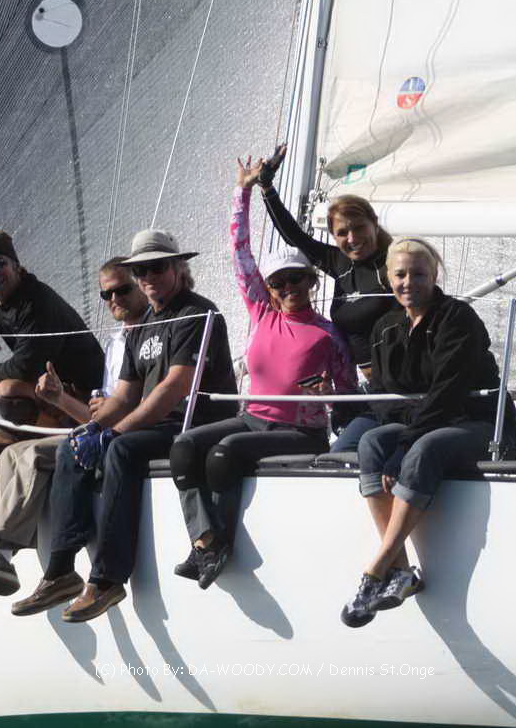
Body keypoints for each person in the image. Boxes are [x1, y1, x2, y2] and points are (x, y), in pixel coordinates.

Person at [164, 157, 359, 589]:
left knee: (223, 454)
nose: (288, 289)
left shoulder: (329, 334)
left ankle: (220, 544)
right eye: (278, 283)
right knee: (183, 447)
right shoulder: (263, 313)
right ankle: (206, 541)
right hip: (253, 418)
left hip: (300, 431)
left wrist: (330, 395)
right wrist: (243, 191)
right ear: (269, 289)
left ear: (311, 281)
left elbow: (349, 393)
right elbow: (240, 252)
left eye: (296, 280)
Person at [0, 258, 148, 600]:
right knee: (10, 453)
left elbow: (119, 410)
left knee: (34, 453)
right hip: (97, 427)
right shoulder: (116, 342)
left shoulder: (146, 336)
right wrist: (60, 399)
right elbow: (96, 415)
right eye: (105, 294)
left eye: (122, 290)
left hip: (119, 435)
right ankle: (2, 556)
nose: (114, 299)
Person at [40, 229, 239, 623]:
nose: (148, 277)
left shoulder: (196, 313)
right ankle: (60, 568)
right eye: (140, 270)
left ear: (178, 267)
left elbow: (174, 387)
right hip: (160, 423)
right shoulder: (144, 324)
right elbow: (125, 395)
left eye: (156, 267)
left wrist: (114, 432)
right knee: (72, 445)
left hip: (197, 421)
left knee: (121, 449)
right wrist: (93, 426)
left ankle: (107, 578)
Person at [342, 238, 516, 628]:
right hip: (422, 422)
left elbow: (447, 392)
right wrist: (401, 437)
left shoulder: (457, 318)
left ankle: (376, 568)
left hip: (476, 422)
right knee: (371, 442)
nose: (409, 282)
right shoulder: (386, 328)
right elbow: (384, 396)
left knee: (424, 448)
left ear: (434, 276)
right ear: (388, 278)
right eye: (400, 274)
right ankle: (401, 571)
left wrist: (405, 443)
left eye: (418, 274)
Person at [251, 145, 396, 451]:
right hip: (365, 389)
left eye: (359, 228)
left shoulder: (393, 265)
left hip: (396, 388)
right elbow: (295, 237)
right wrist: (266, 188)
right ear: (333, 235)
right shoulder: (339, 262)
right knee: (340, 453)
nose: (352, 238)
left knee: (343, 454)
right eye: (342, 232)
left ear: (374, 222)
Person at [0, 229, 104, 461]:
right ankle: (41, 433)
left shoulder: (36, 302)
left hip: (85, 401)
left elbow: (25, 367)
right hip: (47, 393)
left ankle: (66, 431)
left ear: (15, 265)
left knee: (7, 392)